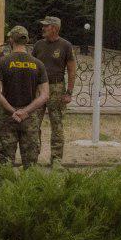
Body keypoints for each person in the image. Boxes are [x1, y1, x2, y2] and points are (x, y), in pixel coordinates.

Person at [0, 25, 50, 169]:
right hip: (30, 119)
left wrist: (12, 111)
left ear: (11, 40)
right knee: (31, 166)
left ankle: (1, 191)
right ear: (27, 40)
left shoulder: (2, 62)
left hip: (8, 117)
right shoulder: (38, 64)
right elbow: (45, 95)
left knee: (4, 166)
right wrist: (26, 111)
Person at [33, 16, 76, 168]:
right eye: (43, 25)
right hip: (39, 89)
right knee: (33, 124)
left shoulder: (65, 45)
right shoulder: (38, 45)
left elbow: (71, 70)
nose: (43, 28)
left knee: (56, 125)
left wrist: (69, 92)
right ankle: (32, 158)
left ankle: (56, 160)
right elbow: (32, 68)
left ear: (55, 28)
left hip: (57, 88)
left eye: (46, 26)